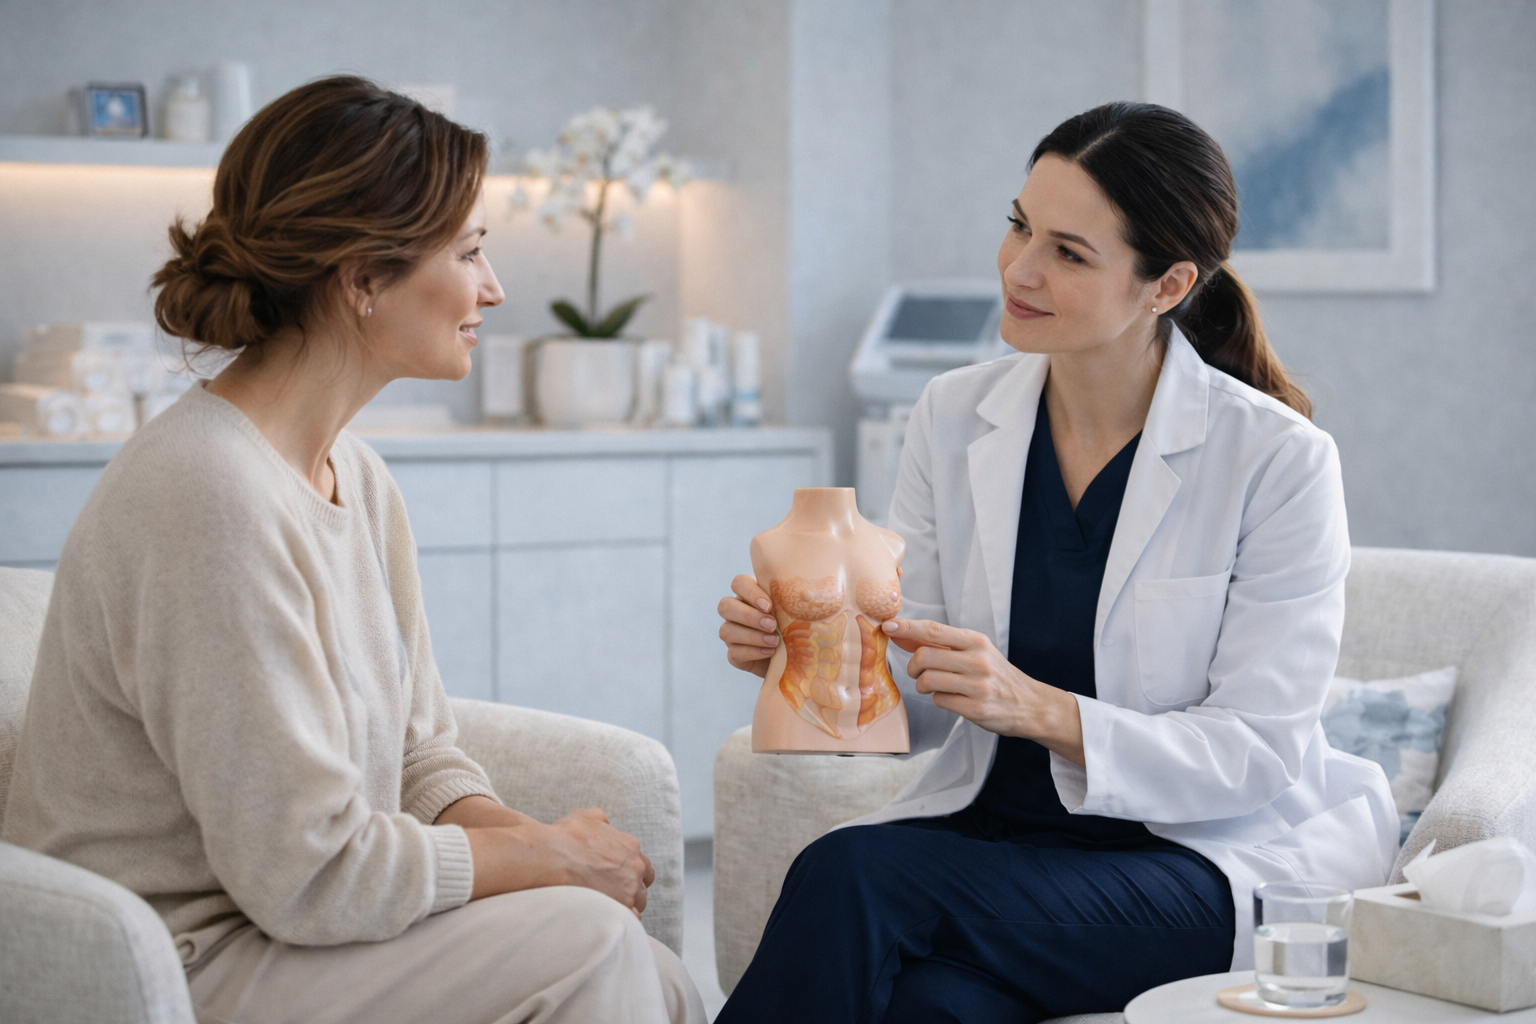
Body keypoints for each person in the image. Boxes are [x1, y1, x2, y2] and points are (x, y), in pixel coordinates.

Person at [2, 76, 704, 1024]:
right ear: (363, 279)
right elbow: (309, 873)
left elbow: (421, 757)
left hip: (292, 929)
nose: (493, 289)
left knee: (647, 967)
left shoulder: (355, 477)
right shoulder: (210, 496)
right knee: (588, 948)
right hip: (188, 956)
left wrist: (542, 850)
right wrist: (545, 860)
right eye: (469, 253)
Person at [714, 102, 1398, 1023]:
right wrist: (812, 658)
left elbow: (1257, 753)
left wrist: (1039, 708)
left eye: (1069, 253)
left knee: (856, 874)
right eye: (1018, 225)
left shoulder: (1277, 460)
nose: (1019, 269)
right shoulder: (953, 417)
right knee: (929, 1007)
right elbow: (914, 693)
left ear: (1166, 286)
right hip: (1002, 842)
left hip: (1194, 864)